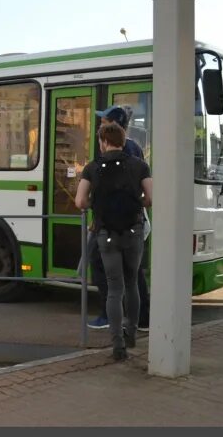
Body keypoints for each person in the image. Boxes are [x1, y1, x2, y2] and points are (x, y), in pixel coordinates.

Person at [75, 123, 153, 361]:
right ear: (123, 139)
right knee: (132, 285)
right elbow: (150, 197)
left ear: (102, 141)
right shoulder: (140, 166)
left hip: (106, 234)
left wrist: (95, 204)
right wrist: (138, 201)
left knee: (114, 289)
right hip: (133, 232)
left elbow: (80, 201)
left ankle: (117, 346)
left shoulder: (92, 168)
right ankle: (131, 335)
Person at [87, 105, 151, 332]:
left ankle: (108, 314)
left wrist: (98, 216)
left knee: (98, 261)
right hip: (132, 220)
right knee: (133, 272)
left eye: (103, 121)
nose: (100, 124)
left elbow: (108, 189)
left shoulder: (111, 154)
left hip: (112, 221)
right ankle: (142, 319)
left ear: (112, 125)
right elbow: (145, 192)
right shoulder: (135, 149)